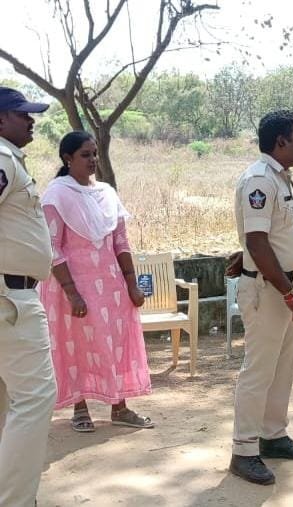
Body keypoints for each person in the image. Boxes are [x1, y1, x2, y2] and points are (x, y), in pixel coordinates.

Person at [38, 131, 153, 433]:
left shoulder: (106, 193)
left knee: (115, 343)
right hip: (73, 287)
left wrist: (131, 284)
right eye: (85, 155)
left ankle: (120, 407)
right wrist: (72, 293)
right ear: (68, 158)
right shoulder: (56, 196)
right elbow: (52, 247)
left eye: (94, 154)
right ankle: (80, 407)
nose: (92, 160)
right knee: (78, 345)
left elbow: (121, 242)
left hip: (111, 287)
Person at [229, 110, 293, 485]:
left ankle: (273, 436)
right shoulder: (260, 180)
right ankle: (244, 450)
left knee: (282, 369)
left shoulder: (281, 178)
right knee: (259, 372)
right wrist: (290, 292)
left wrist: (291, 287)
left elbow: (269, 237)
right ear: (281, 141)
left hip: (282, 284)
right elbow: (258, 242)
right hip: (270, 290)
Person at [0, 87, 57, 506]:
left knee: (7, 402)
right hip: (10, 300)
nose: (31, 120)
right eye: (22, 113)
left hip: (11, 296)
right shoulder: (2, 158)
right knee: (35, 397)